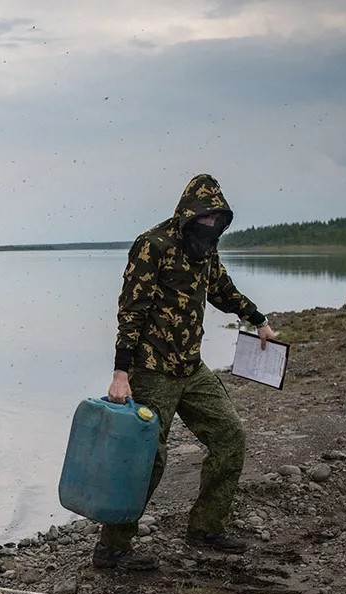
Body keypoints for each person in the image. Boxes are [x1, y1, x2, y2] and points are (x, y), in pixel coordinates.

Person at [96, 174, 275, 571]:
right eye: (205, 220)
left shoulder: (207, 250)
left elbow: (222, 290)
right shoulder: (152, 245)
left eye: (217, 222)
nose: (210, 228)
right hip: (150, 371)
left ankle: (207, 527)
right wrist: (120, 373)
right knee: (146, 460)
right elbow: (132, 311)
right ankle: (112, 548)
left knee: (230, 437)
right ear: (189, 215)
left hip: (191, 369)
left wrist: (257, 318)